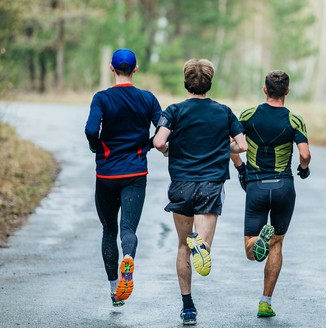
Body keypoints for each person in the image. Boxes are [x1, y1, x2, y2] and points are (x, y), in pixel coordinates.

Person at [153, 59, 248, 325]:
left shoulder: (174, 110)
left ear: (186, 82)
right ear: (209, 82)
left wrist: (170, 150)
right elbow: (242, 147)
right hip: (210, 183)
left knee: (182, 245)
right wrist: (220, 147)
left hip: (182, 183)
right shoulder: (224, 112)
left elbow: (159, 141)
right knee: (202, 245)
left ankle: (188, 307)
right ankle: (201, 244)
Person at [84, 48, 162, 307]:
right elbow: (164, 127)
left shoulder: (102, 98)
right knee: (128, 229)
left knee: (109, 229)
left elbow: (90, 129)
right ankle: (128, 257)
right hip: (135, 174)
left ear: (111, 68)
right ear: (135, 70)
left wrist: (97, 147)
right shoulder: (147, 98)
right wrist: (148, 145)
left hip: (106, 174)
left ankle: (113, 291)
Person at [230, 70, 311, 318]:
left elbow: (228, 143)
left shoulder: (247, 115)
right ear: (287, 91)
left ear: (265, 89)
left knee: (250, 249)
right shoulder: (294, 120)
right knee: (277, 243)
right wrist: (304, 169)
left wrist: (240, 167)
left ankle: (258, 240)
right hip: (283, 186)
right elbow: (305, 155)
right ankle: (265, 302)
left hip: (256, 185)